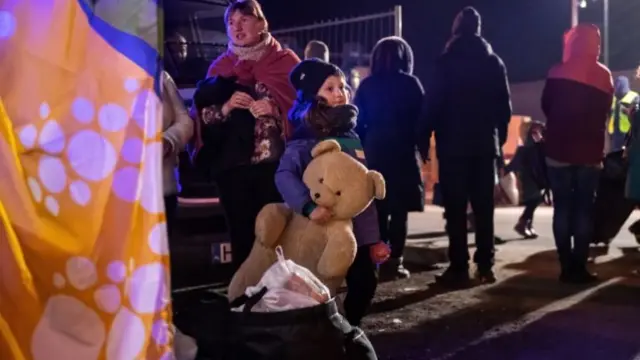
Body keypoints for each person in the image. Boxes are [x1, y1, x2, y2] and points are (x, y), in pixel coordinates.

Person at [275, 59, 390, 326]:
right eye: (330, 88)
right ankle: (324, 335)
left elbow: (362, 190)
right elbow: (284, 175)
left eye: (342, 86)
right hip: (321, 230)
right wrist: (307, 206)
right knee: (320, 287)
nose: (340, 92)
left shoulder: (352, 134)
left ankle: (349, 328)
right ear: (313, 95)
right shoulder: (306, 136)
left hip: (358, 234)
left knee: (365, 283)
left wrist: (375, 239)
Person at [193, 0, 300, 270]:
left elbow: (305, 109)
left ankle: (277, 293)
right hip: (232, 168)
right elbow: (202, 118)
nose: (237, 27)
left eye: (244, 20)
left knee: (276, 233)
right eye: (231, 22)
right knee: (241, 235)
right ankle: (243, 296)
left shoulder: (286, 63)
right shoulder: (219, 68)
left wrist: (275, 108)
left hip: (275, 168)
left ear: (262, 23)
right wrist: (227, 106)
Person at [419, 7, 512, 286]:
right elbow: (504, 108)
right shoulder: (493, 62)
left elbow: (432, 104)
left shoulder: (445, 62)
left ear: (456, 29)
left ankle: (458, 266)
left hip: (453, 147)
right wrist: (499, 139)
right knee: (484, 208)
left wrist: (423, 139)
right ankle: (486, 265)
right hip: (484, 146)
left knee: (456, 209)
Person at [540, 24, 613, 283]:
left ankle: (565, 266)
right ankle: (579, 267)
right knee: (584, 211)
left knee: (562, 209)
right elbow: (606, 110)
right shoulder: (604, 76)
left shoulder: (557, 71)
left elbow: (546, 106)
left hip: (558, 150)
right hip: (589, 153)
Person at [354, 36, 426, 279]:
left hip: (375, 151)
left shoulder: (367, 85)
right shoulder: (411, 84)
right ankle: (395, 261)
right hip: (403, 152)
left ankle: (377, 259)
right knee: (400, 210)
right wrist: (422, 148)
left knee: (377, 209)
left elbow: (357, 123)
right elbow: (422, 121)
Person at [162, 71, 195, 237]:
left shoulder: (160, 76)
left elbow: (185, 121)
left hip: (162, 189)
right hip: (113, 192)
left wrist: (169, 140)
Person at [505, 118, 545, 239]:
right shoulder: (525, 149)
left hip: (538, 178)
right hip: (529, 179)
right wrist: (505, 170)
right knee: (534, 200)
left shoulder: (541, 147)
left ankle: (527, 224)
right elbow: (515, 164)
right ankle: (523, 223)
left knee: (535, 200)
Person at [607, 76, 639, 153]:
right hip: (615, 133)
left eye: (619, 85)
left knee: (628, 155)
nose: (617, 87)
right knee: (616, 155)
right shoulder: (614, 98)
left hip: (629, 133)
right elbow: (610, 113)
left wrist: (626, 111)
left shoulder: (634, 97)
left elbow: (637, 115)